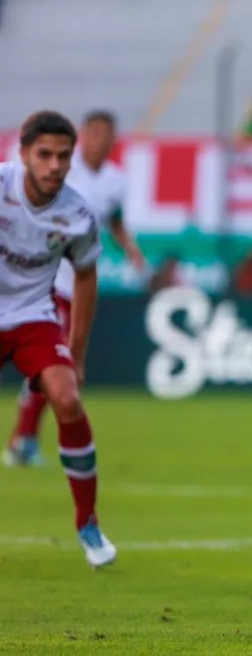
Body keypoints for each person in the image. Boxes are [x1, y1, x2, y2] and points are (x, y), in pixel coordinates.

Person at [0, 111, 116, 567]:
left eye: (62, 157)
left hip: (33, 317)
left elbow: (86, 277)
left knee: (67, 400)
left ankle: (88, 523)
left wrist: (77, 354)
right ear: (24, 153)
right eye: (44, 155)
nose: (53, 165)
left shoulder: (77, 215)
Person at [4, 109, 144, 469]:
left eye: (107, 135)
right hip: (45, 286)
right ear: (85, 135)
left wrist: (130, 249)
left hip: (74, 283)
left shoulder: (116, 181)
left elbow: (115, 222)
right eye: (95, 134)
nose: (101, 141)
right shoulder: (57, 169)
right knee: (53, 372)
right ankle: (24, 440)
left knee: (55, 373)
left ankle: (24, 439)